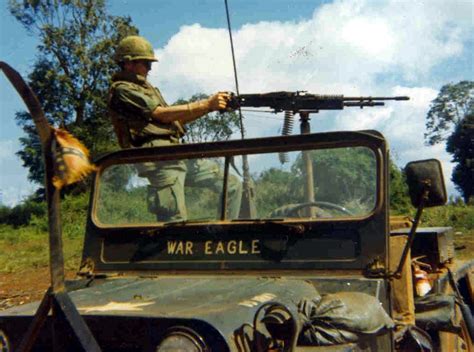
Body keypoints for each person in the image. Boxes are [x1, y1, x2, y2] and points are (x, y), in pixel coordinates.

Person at [108, 35, 241, 222]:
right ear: (128, 63)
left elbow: (176, 120)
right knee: (175, 223)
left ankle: (226, 238)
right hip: (159, 158)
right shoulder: (123, 90)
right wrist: (206, 103)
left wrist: (210, 107)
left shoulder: (147, 89)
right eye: (146, 63)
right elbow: (161, 114)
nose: (149, 69)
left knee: (232, 184)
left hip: (176, 153)